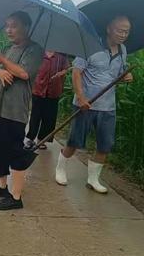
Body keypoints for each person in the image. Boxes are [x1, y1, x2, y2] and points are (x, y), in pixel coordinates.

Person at [55, 15, 133, 193]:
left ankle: (93, 179)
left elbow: (118, 75)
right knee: (75, 141)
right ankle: (60, 168)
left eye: (126, 31)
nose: (123, 34)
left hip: (108, 107)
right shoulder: (90, 46)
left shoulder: (123, 50)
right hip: (86, 105)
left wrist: (126, 76)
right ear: (109, 29)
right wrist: (81, 98)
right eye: (119, 30)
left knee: (105, 145)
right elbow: (76, 72)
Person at [0, 11, 44, 210]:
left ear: (26, 27)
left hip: (16, 109)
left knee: (14, 149)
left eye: (14, 25)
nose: (9, 29)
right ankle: (1, 186)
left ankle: (16, 197)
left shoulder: (34, 50)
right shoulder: (7, 48)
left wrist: (3, 61)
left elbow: (24, 73)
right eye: (7, 25)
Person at [24, 52, 69, 149]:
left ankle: (41, 140)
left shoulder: (61, 56)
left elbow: (66, 69)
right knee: (35, 115)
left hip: (54, 90)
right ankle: (30, 139)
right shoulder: (39, 53)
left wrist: (62, 73)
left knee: (48, 117)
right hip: (38, 88)